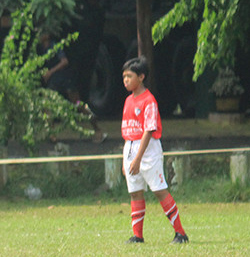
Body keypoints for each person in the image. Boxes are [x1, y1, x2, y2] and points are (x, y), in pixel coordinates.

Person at [120, 56, 188, 244]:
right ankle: (137, 236)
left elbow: (148, 131)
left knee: (159, 190)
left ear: (141, 77)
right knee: (135, 192)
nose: (126, 80)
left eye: (129, 76)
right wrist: (126, 160)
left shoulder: (149, 101)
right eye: (124, 76)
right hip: (131, 147)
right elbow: (128, 133)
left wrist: (138, 159)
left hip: (147, 150)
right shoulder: (128, 101)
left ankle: (180, 233)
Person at [39, 33, 107, 143]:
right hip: (54, 81)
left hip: (65, 79)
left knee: (78, 104)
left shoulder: (54, 46)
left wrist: (50, 72)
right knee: (47, 105)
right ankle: (52, 134)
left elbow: (64, 61)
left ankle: (97, 129)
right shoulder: (42, 49)